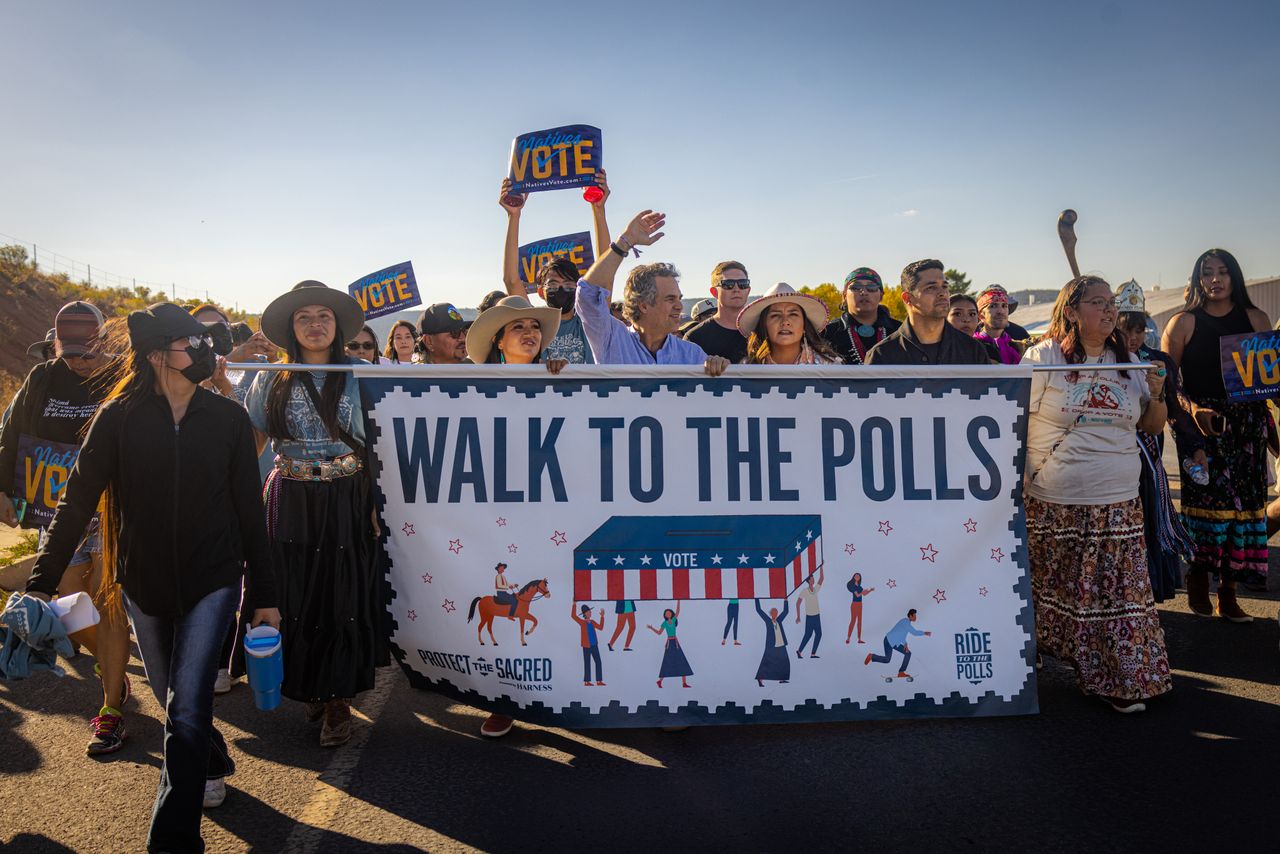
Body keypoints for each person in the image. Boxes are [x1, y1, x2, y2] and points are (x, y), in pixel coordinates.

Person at [24, 302, 280, 850]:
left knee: (187, 705)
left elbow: (248, 510)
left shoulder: (229, 420)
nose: (207, 351)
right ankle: (205, 754)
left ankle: (174, 838)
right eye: (193, 342)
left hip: (214, 579)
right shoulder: (116, 419)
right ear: (158, 354)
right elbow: (75, 505)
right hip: (142, 583)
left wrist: (264, 593)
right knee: (175, 703)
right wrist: (40, 584)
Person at [244, 280, 387, 747]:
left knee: (341, 596)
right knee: (297, 597)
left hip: (348, 494)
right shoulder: (271, 378)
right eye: (304, 317)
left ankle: (338, 700)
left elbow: (381, 444)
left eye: (323, 316)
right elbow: (255, 442)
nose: (314, 324)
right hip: (292, 496)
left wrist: (375, 504)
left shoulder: (362, 373)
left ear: (338, 325)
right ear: (291, 328)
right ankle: (311, 685)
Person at [1024, 275, 1172, 712]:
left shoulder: (1129, 362)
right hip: (1054, 500)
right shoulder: (1043, 357)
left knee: (1117, 597)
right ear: (1071, 311)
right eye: (1097, 303)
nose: (1109, 311)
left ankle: (1117, 678)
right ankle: (1037, 659)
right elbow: (1013, 418)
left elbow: (1152, 424)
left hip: (1118, 500)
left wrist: (1158, 393)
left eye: (1111, 304)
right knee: (1055, 589)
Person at [0, 301, 132, 755]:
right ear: (55, 343)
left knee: (108, 604)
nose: (76, 359)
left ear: (102, 340)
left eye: (85, 349)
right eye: (68, 349)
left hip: (113, 509)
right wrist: (3, 488)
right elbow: (12, 432)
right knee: (69, 609)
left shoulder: (122, 376)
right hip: (56, 511)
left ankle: (111, 708)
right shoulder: (43, 378)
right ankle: (110, 663)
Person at [463, 294, 567, 738]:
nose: (530, 333)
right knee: (506, 604)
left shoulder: (564, 377)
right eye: (518, 327)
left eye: (535, 326)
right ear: (498, 342)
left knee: (554, 599)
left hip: (555, 509)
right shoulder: (470, 387)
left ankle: (567, 686)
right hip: (498, 510)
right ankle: (504, 699)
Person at [1162, 249, 1271, 618]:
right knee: (1210, 509)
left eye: (1223, 272)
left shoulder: (1257, 319)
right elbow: (1168, 383)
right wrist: (1194, 412)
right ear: (1197, 280)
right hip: (1201, 429)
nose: (1216, 279)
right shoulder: (1182, 323)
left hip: (1248, 428)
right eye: (1207, 272)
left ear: (1235, 277)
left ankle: (1228, 591)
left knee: (1243, 511)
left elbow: (1268, 380)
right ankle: (1197, 574)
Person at [1115, 280, 1197, 602]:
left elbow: (1175, 410)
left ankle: (1148, 597)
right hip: (1115, 462)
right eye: (1126, 330)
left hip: (1147, 463)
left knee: (1148, 528)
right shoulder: (1103, 360)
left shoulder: (1157, 360)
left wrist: (1193, 447)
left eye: (1138, 329)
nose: (1132, 338)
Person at [573, 209, 729, 376]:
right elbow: (587, 293)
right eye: (670, 299)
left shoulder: (692, 355)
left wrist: (719, 367)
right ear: (643, 305)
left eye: (679, 298)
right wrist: (625, 242)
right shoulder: (612, 339)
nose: (679, 306)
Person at [500, 171, 611, 364]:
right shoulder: (535, 326)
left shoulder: (589, 321)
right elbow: (511, 280)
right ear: (541, 292)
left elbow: (606, 269)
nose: (561, 289)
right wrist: (513, 216)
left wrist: (598, 209)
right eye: (553, 285)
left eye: (568, 284)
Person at [866, 260, 992, 365]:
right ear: (908, 298)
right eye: (931, 288)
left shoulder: (973, 350)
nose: (942, 293)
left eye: (944, 286)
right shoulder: (882, 355)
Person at [738, 283, 840, 365]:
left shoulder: (829, 366)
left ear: (804, 325)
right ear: (764, 325)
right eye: (775, 315)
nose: (785, 322)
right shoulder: (747, 368)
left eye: (793, 315)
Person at [820, 268, 901, 365]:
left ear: (881, 296)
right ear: (844, 296)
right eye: (856, 287)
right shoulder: (826, 335)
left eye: (871, 288)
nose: (864, 292)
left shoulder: (900, 332)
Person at [684, 262, 751, 362]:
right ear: (714, 292)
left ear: (748, 290)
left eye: (743, 284)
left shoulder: (761, 331)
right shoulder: (695, 338)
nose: (736, 289)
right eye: (728, 285)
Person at [864, 609, 930, 679]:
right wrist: (924, 633)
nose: (915, 618)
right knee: (889, 659)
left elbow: (901, 634)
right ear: (910, 616)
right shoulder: (906, 622)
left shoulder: (905, 622)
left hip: (893, 642)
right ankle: (872, 656)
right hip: (889, 641)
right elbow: (914, 632)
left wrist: (905, 643)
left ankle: (901, 672)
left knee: (905, 654)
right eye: (914, 616)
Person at [973, 286, 1025, 364]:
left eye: (1004, 306)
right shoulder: (973, 347)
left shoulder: (1019, 347)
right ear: (981, 315)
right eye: (993, 306)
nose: (1000, 311)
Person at [647, 602, 692, 688]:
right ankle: (660, 681)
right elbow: (659, 633)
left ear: (671, 614)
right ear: (665, 615)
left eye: (669, 612)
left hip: (675, 642)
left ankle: (684, 683)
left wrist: (679, 601)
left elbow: (678, 611)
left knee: (682, 661)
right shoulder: (664, 623)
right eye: (666, 613)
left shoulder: (674, 619)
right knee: (667, 662)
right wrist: (651, 628)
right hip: (669, 643)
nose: (667, 614)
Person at [947, 293, 1000, 362]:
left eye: (972, 314)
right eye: (958, 314)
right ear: (944, 318)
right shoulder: (933, 351)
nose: (966, 319)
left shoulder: (989, 352)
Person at [753, 598, 790, 685]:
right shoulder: (768, 621)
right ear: (770, 614)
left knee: (784, 661)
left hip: (781, 644)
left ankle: (782, 678)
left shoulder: (779, 620)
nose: (775, 614)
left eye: (776, 612)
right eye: (773, 612)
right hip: (771, 645)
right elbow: (759, 610)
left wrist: (785, 600)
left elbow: (785, 612)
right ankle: (760, 678)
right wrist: (756, 598)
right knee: (766, 661)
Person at [793, 567, 825, 658]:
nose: (813, 579)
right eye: (812, 578)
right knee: (808, 635)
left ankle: (812, 653)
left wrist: (821, 567)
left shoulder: (815, 589)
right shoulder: (805, 591)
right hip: (810, 616)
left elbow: (821, 579)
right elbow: (798, 603)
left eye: (813, 578)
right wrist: (798, 616)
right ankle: (799, 651)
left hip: (817, 616)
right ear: (808, 580)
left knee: (818, 634)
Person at [572, 603, 605, 687]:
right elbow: (573, 616)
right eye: (588, 612)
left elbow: (601, 627)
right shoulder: (582, 622)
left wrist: (602, 616)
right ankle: (587, 681)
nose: (590, 613)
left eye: (590, 611)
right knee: (587, 663)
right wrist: (574, 604)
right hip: (586, 646)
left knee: (598, 662)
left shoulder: (593, 622)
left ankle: (599, 680)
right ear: (584, 614)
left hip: (594, 645)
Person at [844, 572, 875, 644]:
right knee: (853, 621)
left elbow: (864, 594)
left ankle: (859, 639)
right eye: (856, 575)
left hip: (860, 604)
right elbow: (857, 595)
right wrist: (863, 592)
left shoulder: (859, 586)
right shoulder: (853, 586)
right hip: (854, 604)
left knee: (860, 621)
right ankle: (848, 638)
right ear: (853, 577)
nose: (857, 577)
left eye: (858, 576)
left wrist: (870, 590)